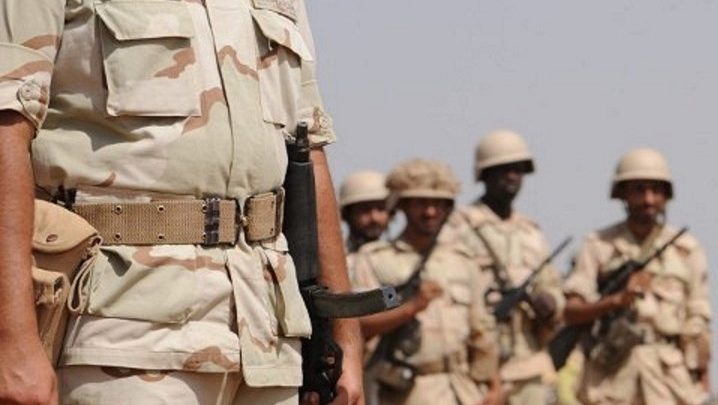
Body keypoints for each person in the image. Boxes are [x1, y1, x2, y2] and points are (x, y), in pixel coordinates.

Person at [0, 1, 362, 404]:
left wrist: (343, 336)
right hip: (122, 328)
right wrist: (12, 341)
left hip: (268, 332)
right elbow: (6, 126)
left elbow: (307, 145)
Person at [563, 148, 711, 405]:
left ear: (666, 195)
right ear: (622, 194)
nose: (648, 199)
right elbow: (572, 312)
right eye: (639, 190)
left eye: (656, 190)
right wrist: (616, 301)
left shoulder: (687, 250)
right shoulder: (598, 245)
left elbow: (698, 319)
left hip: (670, 379)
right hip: (611, 376)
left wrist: (702, 376)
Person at [350, 159, 501, 405]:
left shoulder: (462, 261)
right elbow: (358, 325)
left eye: (437, 204)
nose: (430, 212)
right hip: (407, 392)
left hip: (463, 391)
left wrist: (493, 385)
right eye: (421, 203)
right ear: (403, 206)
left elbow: (480, 330)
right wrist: (411, 307)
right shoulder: (376, 261)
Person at [444, 129, 565, 404]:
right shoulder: (460, 226)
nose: (511, 176)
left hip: (529, 363)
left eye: (518, 170)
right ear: (484, 174)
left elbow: (553, 287)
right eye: (502, 169)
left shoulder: (532, 233)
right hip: (478, 363)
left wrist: (548, 303)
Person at [338, 170, 391, 254]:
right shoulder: (334, 256)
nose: (374, 218)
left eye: (380, 209)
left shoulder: (400, 256)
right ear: (347, 214)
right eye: (365, 210)